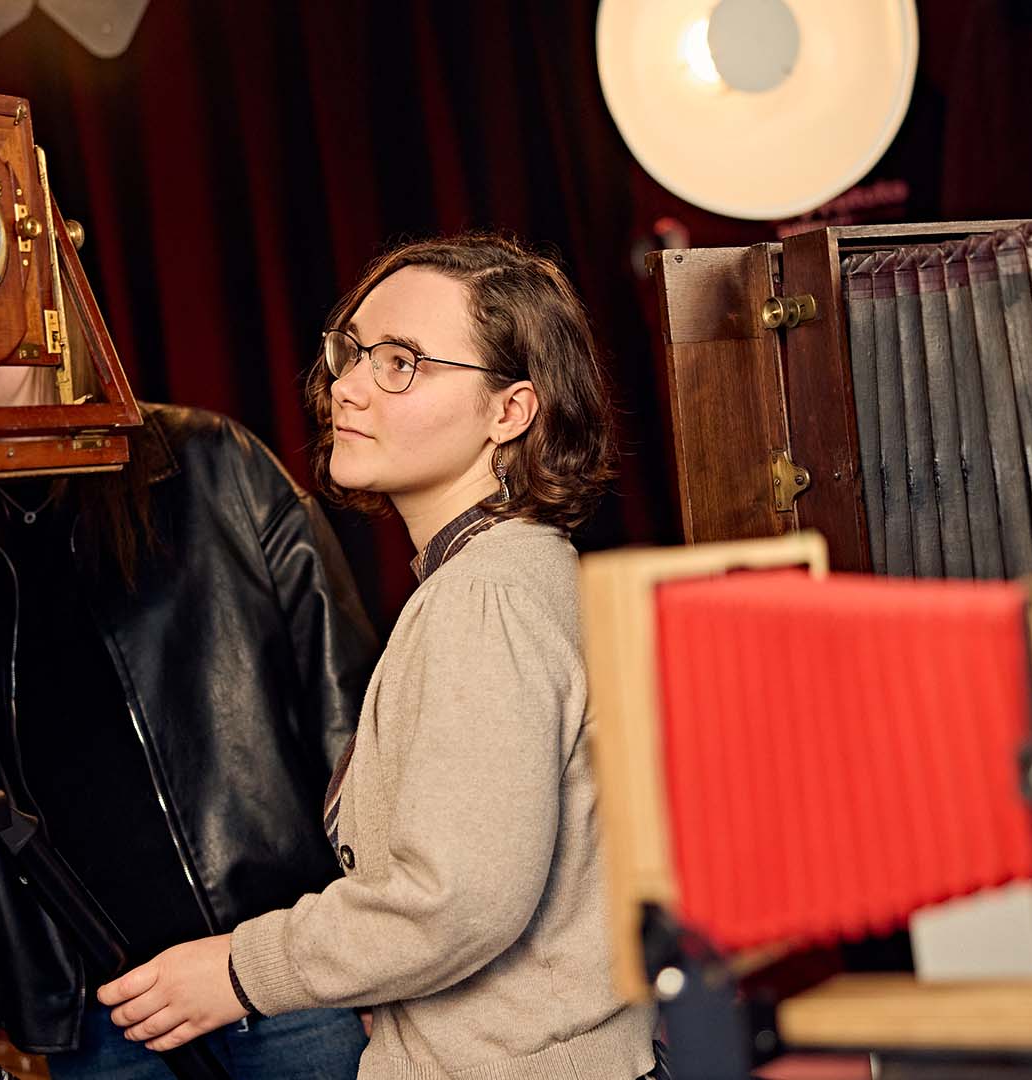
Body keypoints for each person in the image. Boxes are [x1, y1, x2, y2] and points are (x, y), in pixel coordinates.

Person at [97, 234, 659, 1079]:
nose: (347, 387)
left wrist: (238, 972)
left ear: (511, 411)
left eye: (402, 363)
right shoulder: (512, 571)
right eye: (352, 352)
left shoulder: (486, 596)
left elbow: (456, 904)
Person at [0, 389, 379, 1079]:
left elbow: (348, 714)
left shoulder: (206, 460)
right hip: (104, 1017)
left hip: (281, 979)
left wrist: (373, 954)